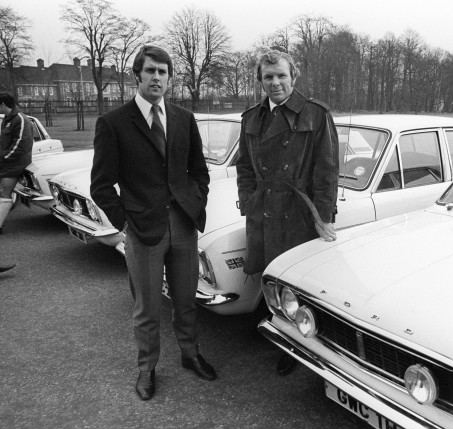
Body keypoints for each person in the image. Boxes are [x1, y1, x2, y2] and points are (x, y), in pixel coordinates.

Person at [90, 45, 216, 401]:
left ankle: (191, 354)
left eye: (163, 72)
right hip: (143, 230)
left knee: (186, 299)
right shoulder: (114, 123)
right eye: (150, 71)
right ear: (137, 75)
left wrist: (196, 201)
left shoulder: (182, 118)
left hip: (183, 225)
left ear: (170, 78)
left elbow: (198, 170)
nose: (157, 77)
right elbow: (100, 184)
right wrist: (126, 221)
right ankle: (147, 368)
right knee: (146, 306)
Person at [236, 50, 339, 376]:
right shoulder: (252, 117)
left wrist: (323, 217)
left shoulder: (315, 114)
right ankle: (278, 329)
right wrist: (248, 200)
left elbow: (327, 171)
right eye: (268, 77)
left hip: (298, 214)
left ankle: (297, 346)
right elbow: (244, 167)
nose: (275, 82)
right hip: (264, 210)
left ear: (293, 77)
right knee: (269, 275)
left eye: (281, 75)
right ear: (261, 80)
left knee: (297, 284)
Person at [0, 92, 33, 237]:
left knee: (4, 192)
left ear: (2, 104)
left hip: (15, 164)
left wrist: (4, 158)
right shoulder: (7, 119)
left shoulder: (20, 119)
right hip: (6, 162)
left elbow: (21, 145)